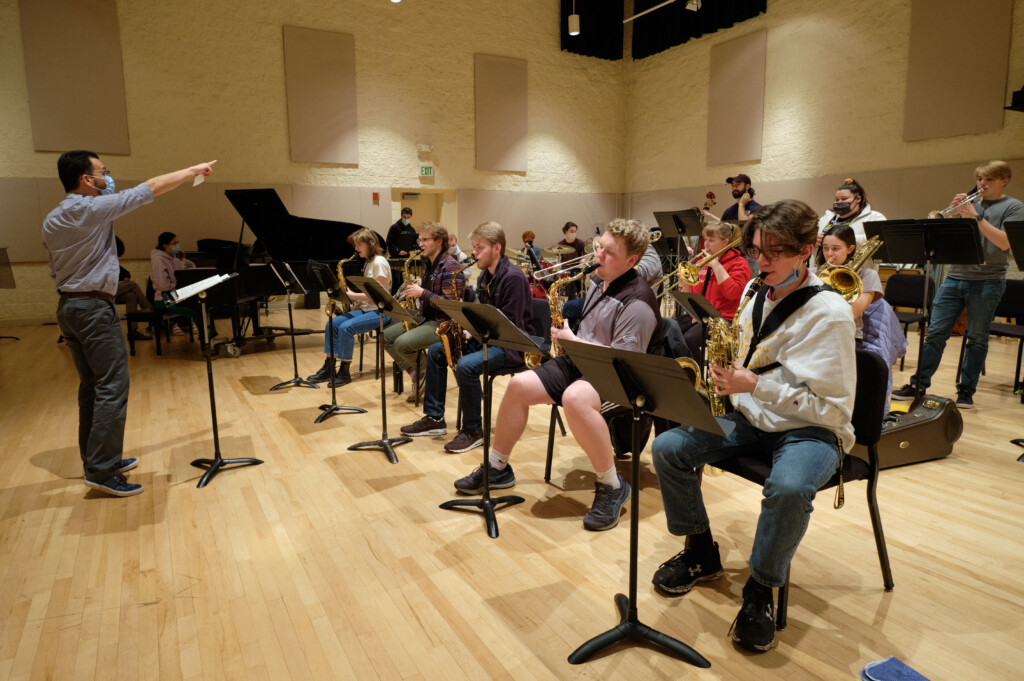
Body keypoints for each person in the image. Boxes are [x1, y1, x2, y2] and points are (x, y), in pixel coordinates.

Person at [650, 199, 856, 652]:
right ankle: (702, 553)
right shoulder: (754, 292)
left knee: (787, 488)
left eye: (773, 252)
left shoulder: (830, 314)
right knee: (668, 447)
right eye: (756, 250)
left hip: (811, 430)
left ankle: (760, 588)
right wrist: (729, 379)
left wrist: (754, 386)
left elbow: (833, 408)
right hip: (752, 417)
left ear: (806, 250)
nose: (759, 262)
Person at [453, 218, 663, 532]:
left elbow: (622, 364)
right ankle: (497, 466)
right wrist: (569, 336)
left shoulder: (638, 302)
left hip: (619, 376)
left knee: (575, 398)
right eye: (599, 248)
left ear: (632, 261)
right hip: (581, 360)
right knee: (519, 385)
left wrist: (575, 341)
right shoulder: (598, 279)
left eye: (609, 253)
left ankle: (612, 485)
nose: (598, 257)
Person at [43, 150, 216, 497]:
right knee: (111, 387)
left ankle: (98, 460)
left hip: (69, 307)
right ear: (85, 180)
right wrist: (191, 169)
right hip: (93, 308)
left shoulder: (54, 216)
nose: (108, 177)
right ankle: (103, 471)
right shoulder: (89, 209)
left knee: (92, 387)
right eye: (103, 172)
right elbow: (149, 188)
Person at [892, 161, 1024, 409]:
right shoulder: (970, 205)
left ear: (1004, 180)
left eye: (989, 180)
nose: (982, 184)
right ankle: (918, 384)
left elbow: (1005, 243)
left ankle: (966, 390)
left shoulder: (1014, 207)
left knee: (976, 338)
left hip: (988, 280)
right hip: (954, 278)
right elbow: (945, 237)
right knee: (935, 334)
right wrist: (953, 213)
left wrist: (977, 217)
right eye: (980, 180)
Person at [401, 221, 533, 452]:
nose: (473, 252)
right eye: (473, 246)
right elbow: (486, 315)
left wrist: (474, 329)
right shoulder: (484, 277)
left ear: (497, 248)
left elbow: (510, 326)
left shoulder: (513, 278)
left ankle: (474, 430)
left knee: (466, 365)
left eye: (479, 247)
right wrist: (468, 324)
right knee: (436, 351)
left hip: (511, 346)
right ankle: (434, 418)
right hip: (488, 338)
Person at [381, 222, 467, 397]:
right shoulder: (428, 263)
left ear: (438, 241)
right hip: (425, 316)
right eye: (419, 240)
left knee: (401, 344)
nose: (420, 244)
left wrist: (423, 293)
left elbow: (451, 305)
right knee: (387, 337)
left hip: (443, 322)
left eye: (424, 240)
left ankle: (425, 372)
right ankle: (419, 373)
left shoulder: (449, 266)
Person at [306, 228, 392, 387]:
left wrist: (353, 296)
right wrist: (357, 304)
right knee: (332, 323)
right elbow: (368, 291)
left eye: (359, 244)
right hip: (367, 308)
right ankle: (329, 367)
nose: (356, 248)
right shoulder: (368, 262)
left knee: (346, 328)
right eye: (355, 245)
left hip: (381, 311)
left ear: (370, 244)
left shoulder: (379, 263)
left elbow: (381, 295)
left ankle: (344, 372)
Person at [675, 221, 752, 358]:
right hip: (701, 317)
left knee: (689, 338)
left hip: (724, 319)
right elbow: (692, 297)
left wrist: (716, 266)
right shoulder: (701, 263)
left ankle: (700, 370)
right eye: (705, 240)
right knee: (671, 328)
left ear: (725, 242)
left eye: (711, 240)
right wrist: (685, 284)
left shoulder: (739, 263)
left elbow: (733, 293)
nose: (706, 245)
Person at [150, 231, 199, 336]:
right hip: (164, 298)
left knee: (200, 304)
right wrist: (179, 288)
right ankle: (207, 336)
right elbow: (163, 285)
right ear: (165, 245)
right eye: (174, 243)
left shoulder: (174, 259)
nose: (177, 245)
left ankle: (208, 334)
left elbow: (183, 277)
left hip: (175, 294)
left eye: (177, 242)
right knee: (193, 309)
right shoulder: (158, 261)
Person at [816, 178, 887, 250]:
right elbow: (810, 240)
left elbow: (879, 240)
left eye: (844, 199)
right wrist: (816, 240)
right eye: (837, 199)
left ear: (858, 199)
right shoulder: (826, 218)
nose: (839, 202)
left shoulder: (874, 217)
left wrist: (841, 238)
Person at [114, 236, 155, 341]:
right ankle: (148, 309)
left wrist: (124, 280)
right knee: (133, 285)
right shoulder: (98, 260)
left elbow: (124, 272)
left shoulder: (112, 261)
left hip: (113, 289)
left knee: (131, 296)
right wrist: (119, 282)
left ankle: (133, 331)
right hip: (100, 291)